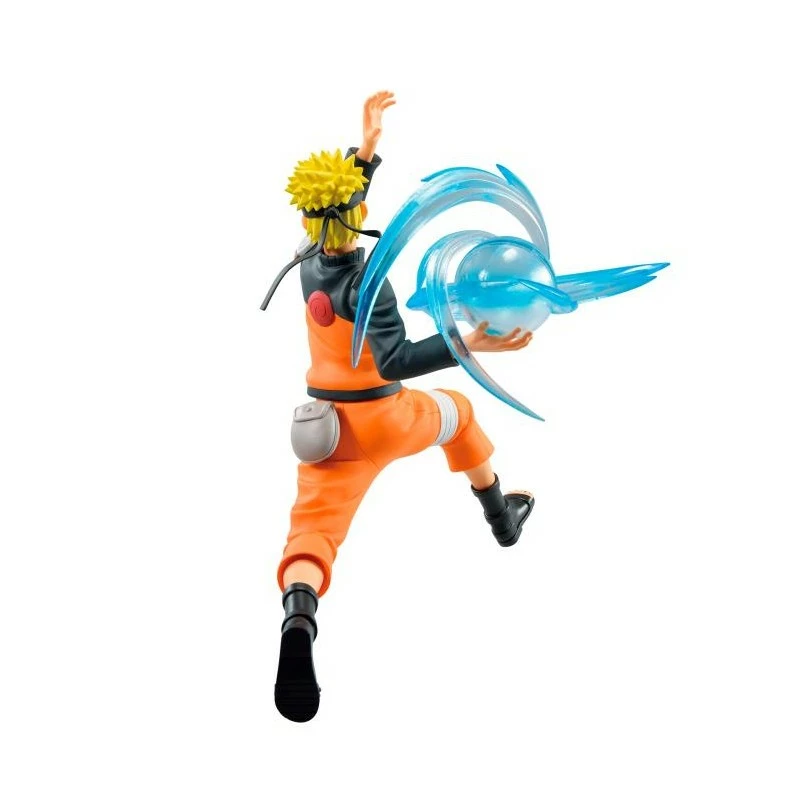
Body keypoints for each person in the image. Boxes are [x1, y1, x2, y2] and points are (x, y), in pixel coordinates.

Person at [272, 92, 534, 722]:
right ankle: (502, 518)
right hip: (386, 418)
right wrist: (469, 342)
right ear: (356, 214)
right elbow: (395, 362)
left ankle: (300, 614)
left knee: (313, 531)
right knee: (458, 412)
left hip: (325, 429)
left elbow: (336, 202)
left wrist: (365, 149)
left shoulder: (307, 262)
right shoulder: (369, 285)